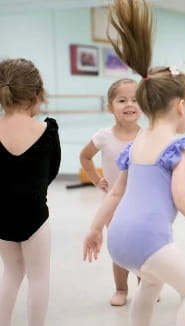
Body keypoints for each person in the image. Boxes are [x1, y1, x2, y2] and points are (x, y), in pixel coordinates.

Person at [83, 1, 185, 325]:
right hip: (148, 238)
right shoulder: (179, 147)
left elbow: (115, 193)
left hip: (119, 240)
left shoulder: (137, 142)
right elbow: (183, 197)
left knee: (152, 282)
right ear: (182, 107)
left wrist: (95, 228)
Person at [0, 58, 61, 326]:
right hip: (35, 215)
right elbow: (52, 172)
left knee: (11, 274)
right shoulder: (47, 131)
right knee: (38, 278)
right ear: (37, 96)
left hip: (1, 216)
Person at [80, 78, 142, 306]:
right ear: (110, 107)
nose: (129, 105)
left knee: (141, 246)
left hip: (140, 203)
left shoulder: (146, 135)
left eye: (135, 100)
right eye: (122, 100)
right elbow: (85, 156)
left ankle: (144, 286)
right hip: (113, 204)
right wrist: (96, 179)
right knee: (119, 247)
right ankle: (121, 289)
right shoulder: (104, 136)